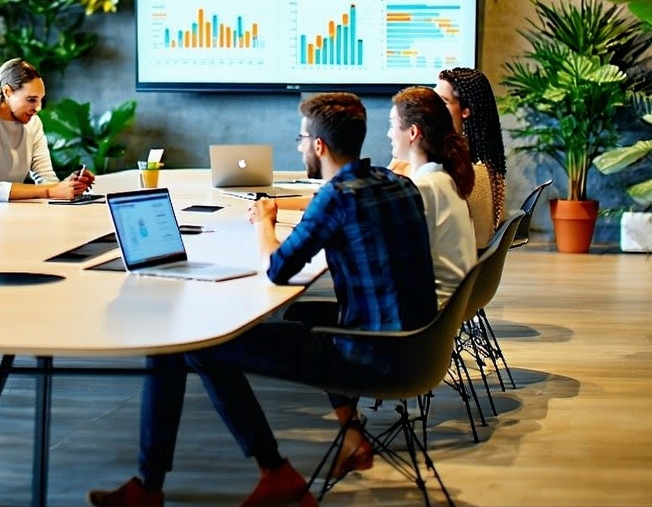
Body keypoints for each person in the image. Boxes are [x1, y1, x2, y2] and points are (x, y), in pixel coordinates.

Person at [88, 93, 437, 507]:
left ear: (318, 146)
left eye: (301, 138)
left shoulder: (337, 197)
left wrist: (265, 222)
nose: (300, 146)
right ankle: (316, 451)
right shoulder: (397, 182)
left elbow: (276, 269)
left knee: (197, 344)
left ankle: (261, 473)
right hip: (421, 348)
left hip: (369, 356)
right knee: (291, 316)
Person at [0, 57, 94, 202]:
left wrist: (69, 186)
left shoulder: (34, 124)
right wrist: (49, 191)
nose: (38, 108)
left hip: (14, 213)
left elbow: (46, 179)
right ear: (7, 92)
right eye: (31, 100)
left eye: (40, 100)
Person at [389, 86, 478, 305]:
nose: (389, 134)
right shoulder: (445, 178)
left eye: (392, 125)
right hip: (449, 310)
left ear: (413, 132)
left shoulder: (423, 187)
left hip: (429, 314)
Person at [436, 67, 507, 244]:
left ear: (465, 111)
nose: (432, 107)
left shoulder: (469, 172)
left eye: (442, 102)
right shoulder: (481, 163)